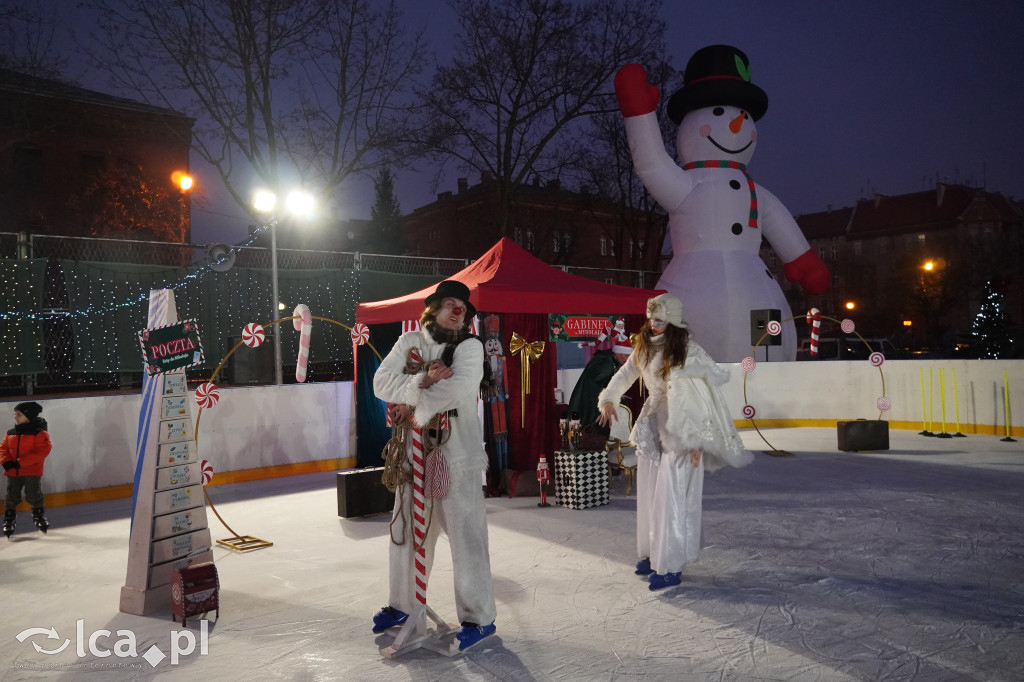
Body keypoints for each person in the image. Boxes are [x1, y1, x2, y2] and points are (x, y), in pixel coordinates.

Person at [371, 280, 497, 650]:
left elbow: (458, 390)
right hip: (412, 457)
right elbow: (381, 382)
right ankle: (401, 605)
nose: (458, 312)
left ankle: (479, 616)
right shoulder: (410, 342)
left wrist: (413, 404)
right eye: (451, 304)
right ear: (434, 309)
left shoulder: (471, 347)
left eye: (463, 307)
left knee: (466, 537)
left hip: (456, 457)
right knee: (407, 533)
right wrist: (424, 378)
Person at [597, 294, 753, 590]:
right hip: (653, 425)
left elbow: (700, 398)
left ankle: (670, 564)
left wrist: (696, 441)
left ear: (674, 321)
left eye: (660, 319)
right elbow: (624, 375)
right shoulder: (643, 347)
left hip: (683, 432)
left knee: (673, 496)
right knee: (650, 493)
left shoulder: (687, 351)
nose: (654, 324)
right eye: (651, 318)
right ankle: (651, 552)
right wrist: (608, 398)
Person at [2, 401, 53, 538]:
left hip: (31, 471)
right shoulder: (11, 433)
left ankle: (38, 515)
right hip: (13, 472)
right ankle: (9, 517)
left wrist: (20, 463)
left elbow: (42, 451)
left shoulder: (39, 433)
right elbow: (3, 448)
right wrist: (6, 462)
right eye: (15, 414)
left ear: (28, 415)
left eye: (19, 414)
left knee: (33, 494)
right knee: (11, 495)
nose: (15, 417)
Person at [568, 336, 632, 434]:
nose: (626, 359)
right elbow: (594, 385)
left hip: (592, 397)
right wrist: (610, 396)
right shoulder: (606, 364)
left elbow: (605, 382)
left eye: (629, 356)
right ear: (616, 353)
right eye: (625, 356)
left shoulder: (611, 361)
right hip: (590, 401)